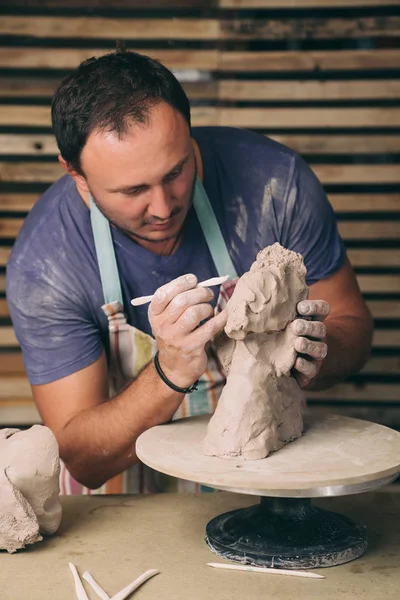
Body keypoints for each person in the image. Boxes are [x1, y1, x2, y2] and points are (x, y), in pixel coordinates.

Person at [6, 51, 373, 494]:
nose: (163, 208)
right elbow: (81, 457)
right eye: (133, 190)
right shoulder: (47, 261)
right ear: (76, 173)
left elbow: (353, 327)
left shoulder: (277, 186)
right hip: (134, 502)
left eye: (177, 171)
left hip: (264, 479)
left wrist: (315, 351)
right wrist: (170, 371)